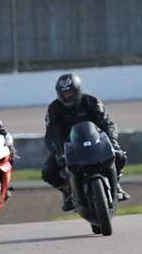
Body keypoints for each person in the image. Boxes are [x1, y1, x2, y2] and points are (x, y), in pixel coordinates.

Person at [42, 73, 130, 211]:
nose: (67, 96)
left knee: (119, 155)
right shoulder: (54, 109)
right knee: (48, 171)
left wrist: (111, 139)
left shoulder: (92, 102)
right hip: (69, 147)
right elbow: (52, 133)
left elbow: (107, 123)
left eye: (70, 92)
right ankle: (68, 191)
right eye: (64, 94)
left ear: (78, 91)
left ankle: (116, 183)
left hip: (96, 142)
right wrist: (59, 152)